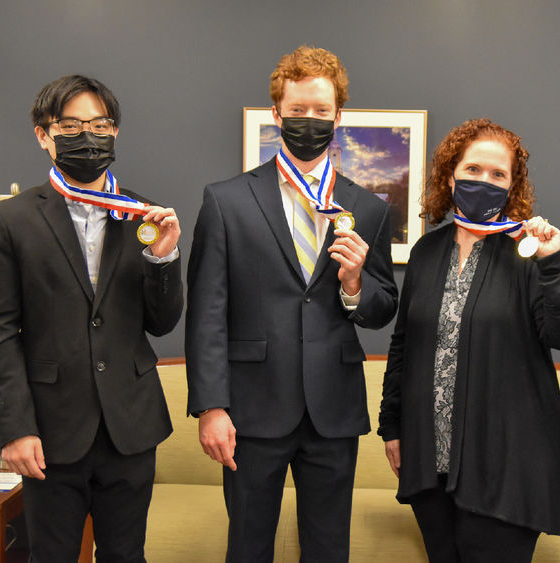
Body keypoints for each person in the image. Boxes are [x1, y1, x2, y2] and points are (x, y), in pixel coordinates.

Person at [185, 46, 398, 562]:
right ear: (277, 113)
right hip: (250, 409)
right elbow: (207, 311)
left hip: (333, 409)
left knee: (328, 550)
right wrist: (211, 406)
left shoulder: (366, 207)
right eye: (298, 110)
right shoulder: (226, 200)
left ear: (338, 116)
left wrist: (353, 284)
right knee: (249, 547)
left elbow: (383, 305)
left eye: (321, 112)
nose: (309, 120)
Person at [0, 74, 184, 562]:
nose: (88, 136)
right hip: (49, 430)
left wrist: (163, 260)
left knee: (127, 555)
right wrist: (15, 428)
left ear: (115, 132)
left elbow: (163, 323)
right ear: (43, 136)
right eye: (70, 125)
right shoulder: (11, 220)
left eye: (100, 124)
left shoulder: (144, 214)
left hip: (131, 426)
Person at [378, 118, 560, 562]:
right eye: (473, 170)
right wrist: (392, 426)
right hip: (428, 457)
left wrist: (554, 264)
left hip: (508, 461)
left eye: (498, 175)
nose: (484, 181)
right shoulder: (426, 252)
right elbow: (403, 346)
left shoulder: (528, 252)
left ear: (512, 187)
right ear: (450, 174)